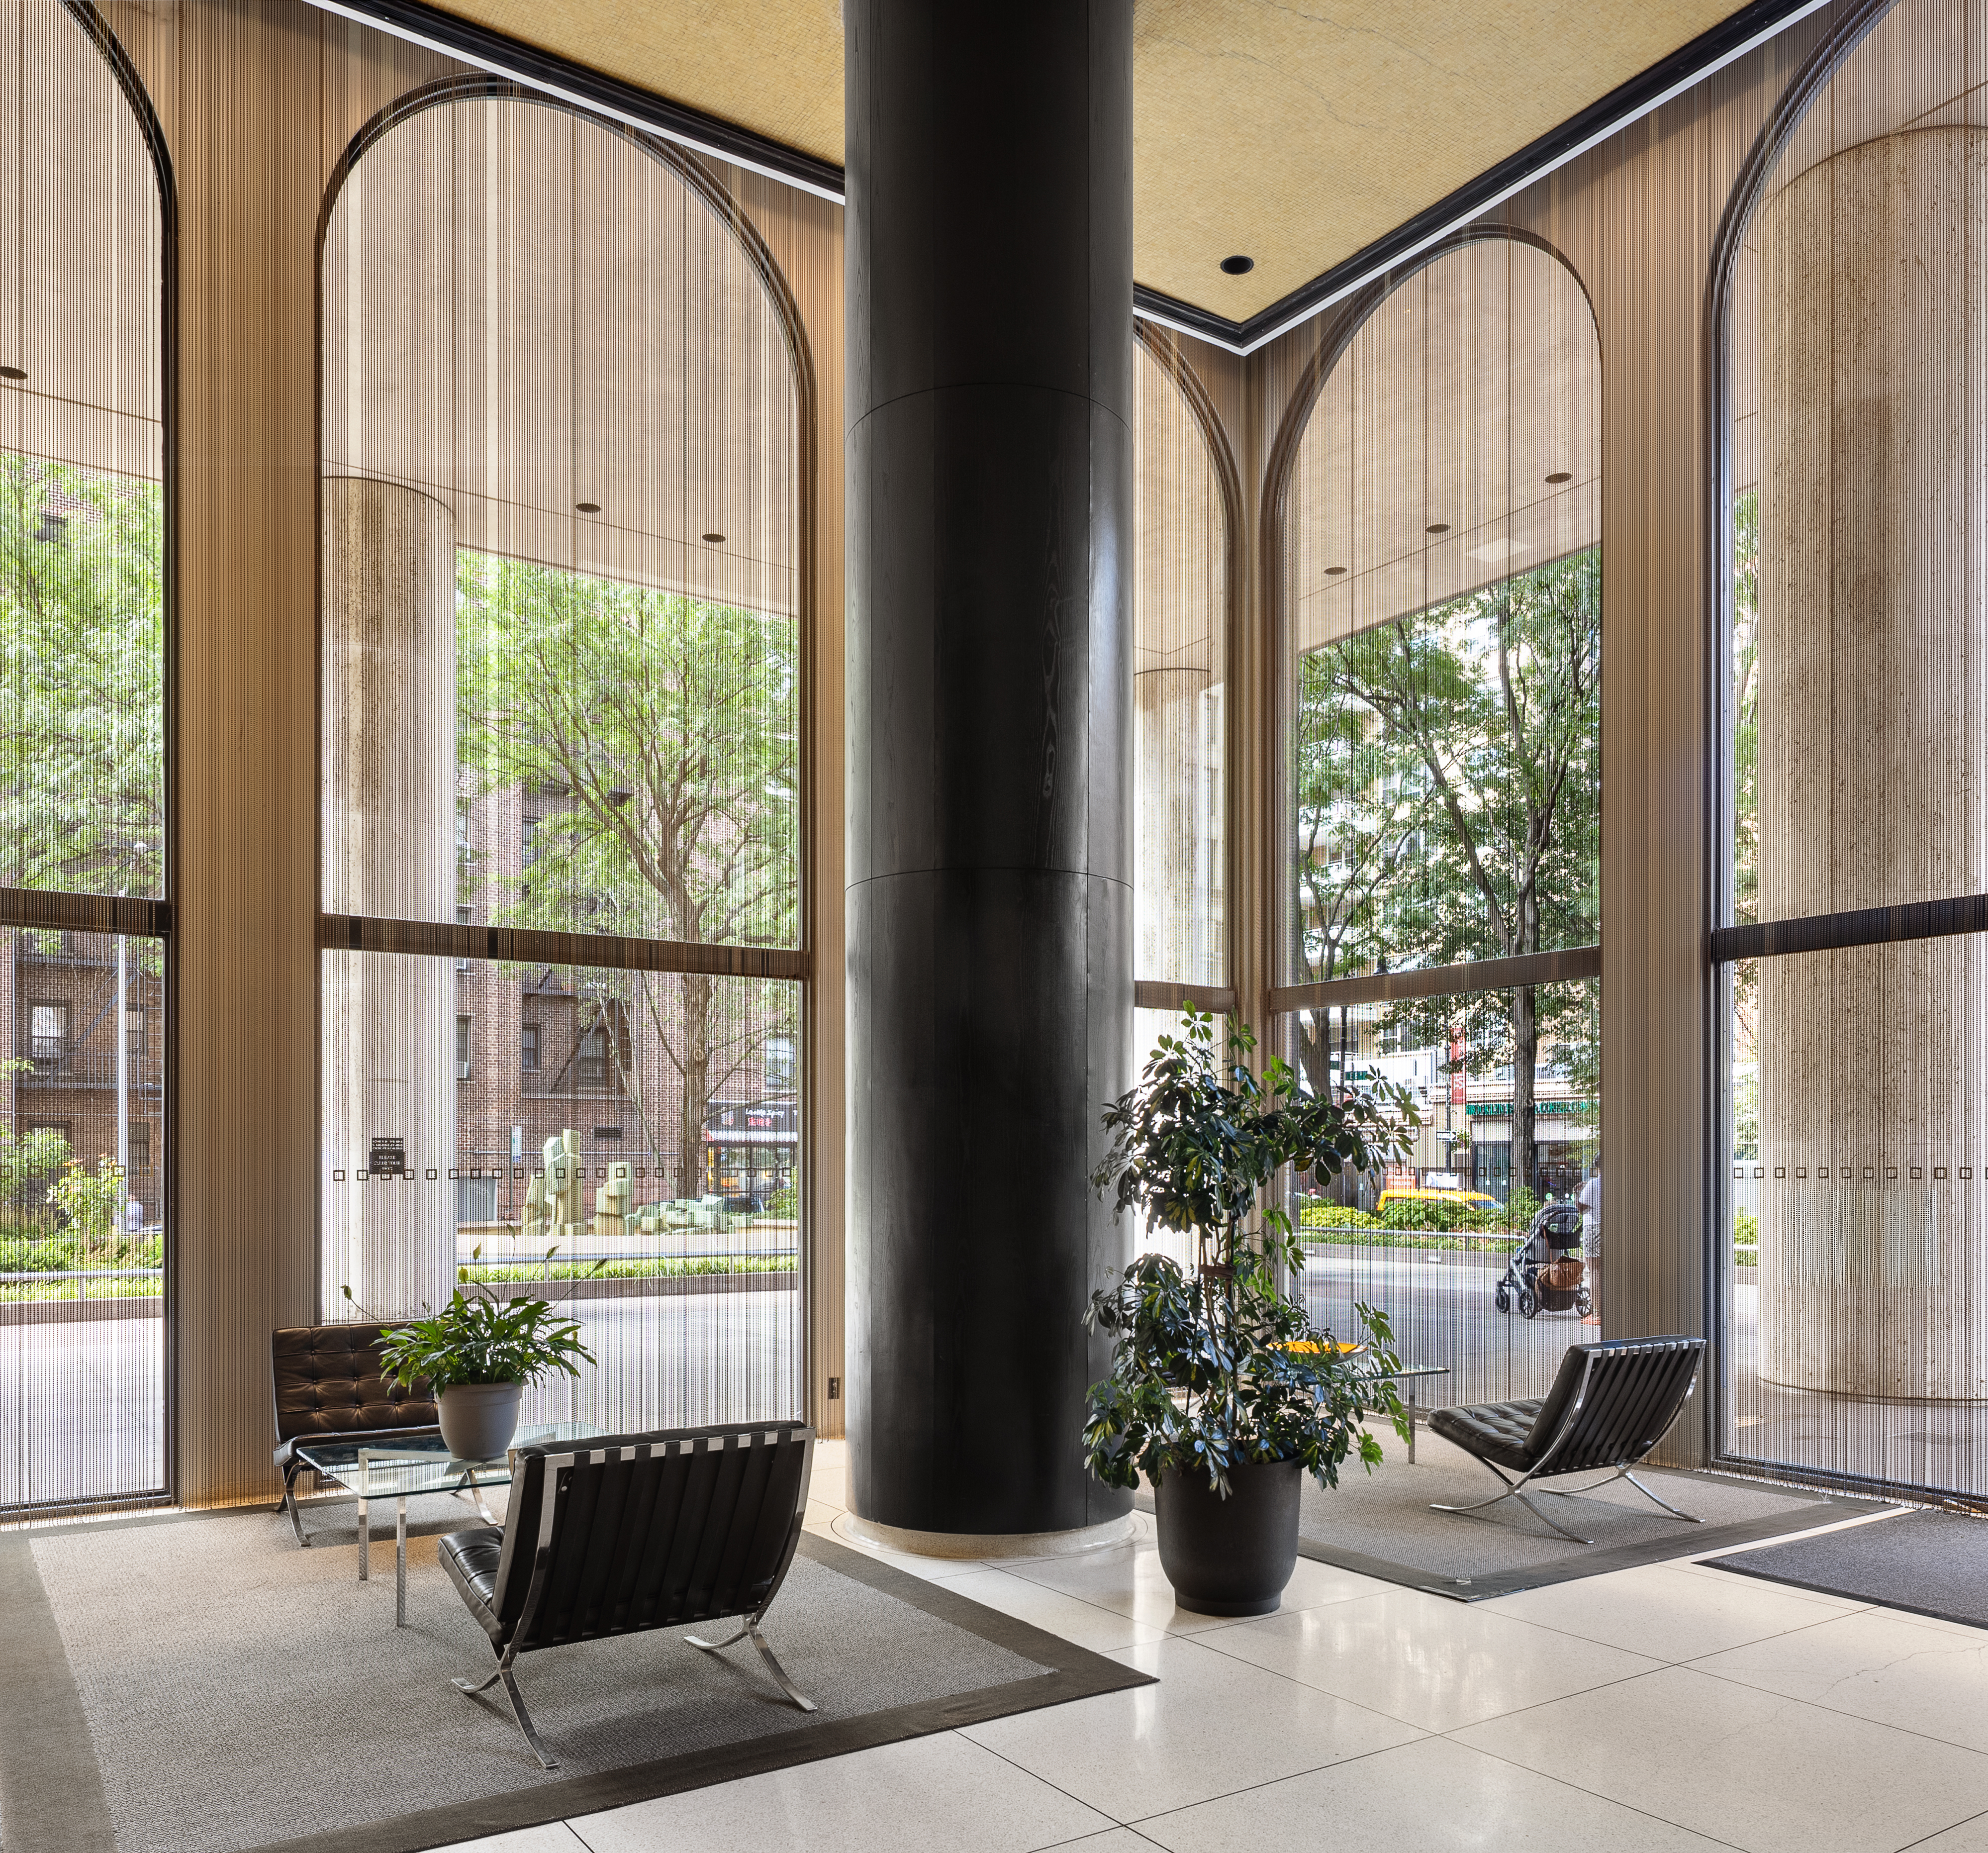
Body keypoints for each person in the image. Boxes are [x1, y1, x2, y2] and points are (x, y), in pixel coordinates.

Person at [1577, 1158, 1602, 1326]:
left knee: (1595, 1270)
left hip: (1594, 1228)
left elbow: (1580, 1208)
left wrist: (1578, 1192)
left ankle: (1598, 1313)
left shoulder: (1593, 1184)